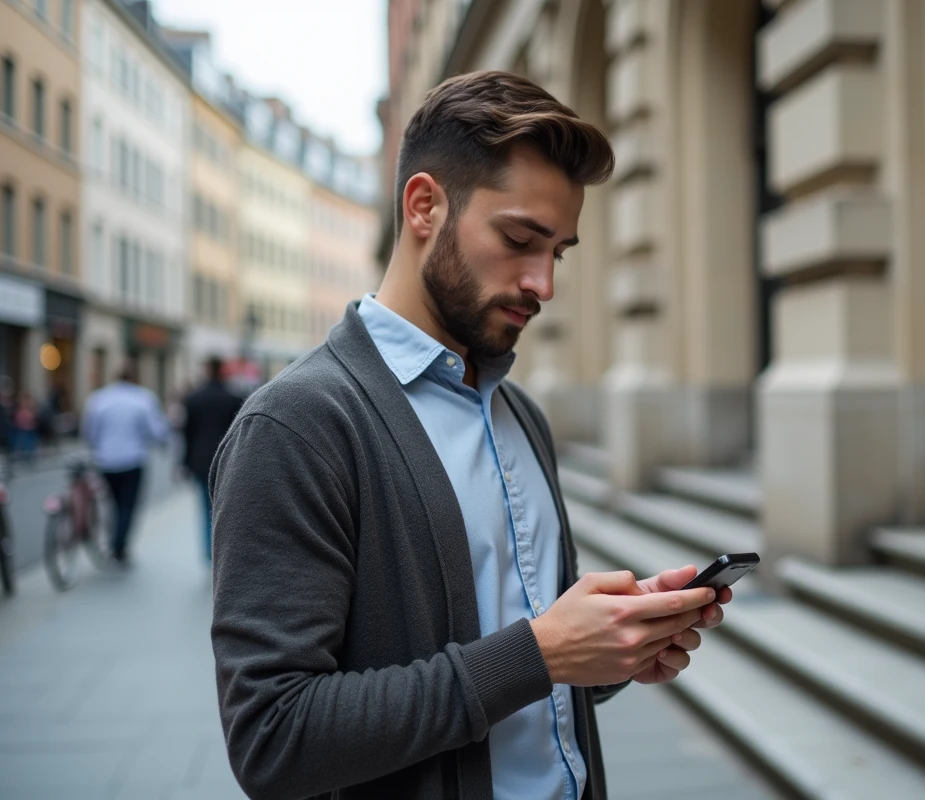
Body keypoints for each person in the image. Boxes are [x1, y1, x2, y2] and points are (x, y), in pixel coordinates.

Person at [210, 71, 733, 800]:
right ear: (424, 205)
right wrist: (542, 654)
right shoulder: (297, 426)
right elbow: (275, 738)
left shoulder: (520, 416)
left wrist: (606, 647)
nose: (543, 284)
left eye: (560, 252)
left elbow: (529, 675)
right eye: (520, 239)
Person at [81, 363, 170, 564]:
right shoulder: (143, 398)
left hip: (106, 460)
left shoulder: (99, 398)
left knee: (112, 503)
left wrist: (98, 448)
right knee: (128, 504)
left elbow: (89, 432)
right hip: (132, 459)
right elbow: (156, 431)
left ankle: (116, 540)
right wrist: (161, 442)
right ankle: (119, 545)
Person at [180, 357, 241, 563]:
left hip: (200, 458)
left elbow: (187, 434)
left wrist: (184, 463)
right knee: (223, 508)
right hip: (227, 459)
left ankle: (210, 551)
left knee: (204, 507)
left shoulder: (195, 398)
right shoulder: (233, 397)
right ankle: (219, 550)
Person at [11, 391, 39, 465]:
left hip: (30, 428)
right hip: (23, 429)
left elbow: (34, 417)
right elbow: (18, 419)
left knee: (30, 443)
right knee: (24, 442)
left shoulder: (30, 408)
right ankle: (25, 455)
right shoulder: (21, 410)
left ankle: (29, 455)